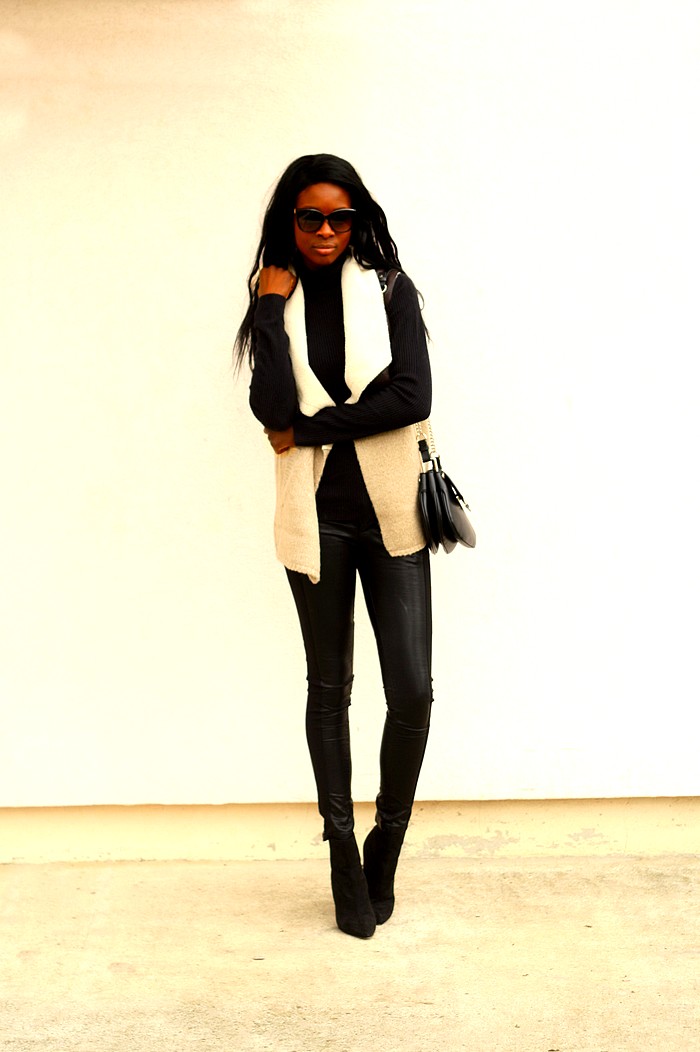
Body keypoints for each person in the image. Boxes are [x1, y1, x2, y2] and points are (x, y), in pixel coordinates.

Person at [234, 154, 433, 939]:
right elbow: (270, 409)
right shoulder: (275, 299)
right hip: (315, 516)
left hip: (393, 513)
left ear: (358, 220)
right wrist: (266, 310)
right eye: (310, 217)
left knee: (411, 691)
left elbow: (411, 397)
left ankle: (388, 841)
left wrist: (310, 430)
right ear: (289, 220)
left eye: (339, 217)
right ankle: (343, 853)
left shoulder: (389, 290)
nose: (325, 231)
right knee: (330, 687)